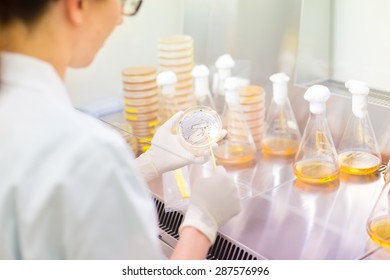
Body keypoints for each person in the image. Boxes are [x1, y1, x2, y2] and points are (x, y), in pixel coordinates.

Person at [0, 0, 241, 259]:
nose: (120, 19)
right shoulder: (85, 149)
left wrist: (147, 164)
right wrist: (202, 224)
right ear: (77, 5)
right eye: (124, 2)